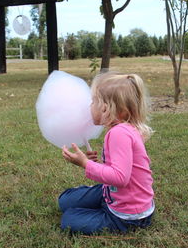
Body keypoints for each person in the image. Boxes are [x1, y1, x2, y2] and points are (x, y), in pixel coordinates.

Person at [58, 72, 155, 235]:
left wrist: (85, 164)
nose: (90, 106)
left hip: (129, 215)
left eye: (94, 101)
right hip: (116, 195)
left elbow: (120, 178)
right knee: (65, 200)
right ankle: (98, 200)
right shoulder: (124, 129)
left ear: (108, 108)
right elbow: (120, 170)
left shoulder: (119, 134)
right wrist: (96, 165)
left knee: (68, 219)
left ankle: (106, 213)